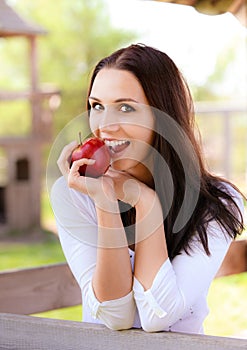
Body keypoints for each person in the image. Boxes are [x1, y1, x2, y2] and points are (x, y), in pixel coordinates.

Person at [51, 44, 245, 334]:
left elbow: (158, 316)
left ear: (163, 115)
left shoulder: (217, 203)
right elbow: (115, 317)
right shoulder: (74, 195)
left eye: (126, 108)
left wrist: (145, 203)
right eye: (97, 106)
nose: (105, 125)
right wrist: (104, 201)